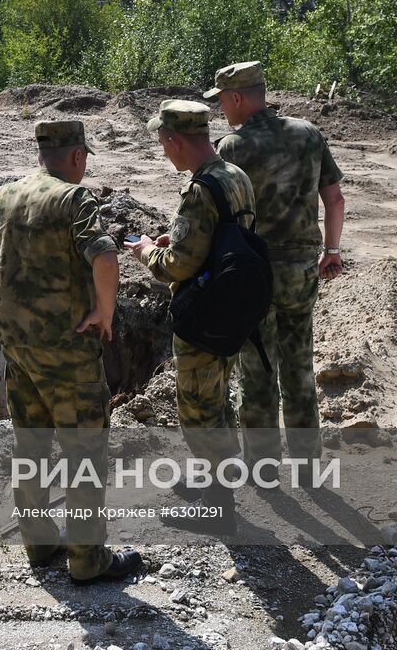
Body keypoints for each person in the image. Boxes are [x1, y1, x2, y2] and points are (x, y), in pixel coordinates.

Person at [0, 120, 143, 585]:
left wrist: (1, 288)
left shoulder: (5, 195)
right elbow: (104, 255)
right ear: (78, 157)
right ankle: (87, 559)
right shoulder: (74, 199)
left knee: (31, 442)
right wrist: (104, 311)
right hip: (67, 351)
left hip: (19, 345)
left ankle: (40, 543)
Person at [207, 61, 344, 466]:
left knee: (258, 370)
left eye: (222, 103)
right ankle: (307, 464)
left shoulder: (233, 147)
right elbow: (334, 199)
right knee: (300, 366)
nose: (221, 112)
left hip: (255, 275)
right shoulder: (309, 134)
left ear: (236, 98)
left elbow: (218, 214)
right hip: (302, 270)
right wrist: (331, 251)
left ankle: (263, 465)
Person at [126, 100, 254, 530]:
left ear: (174, 140)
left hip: (205, 315)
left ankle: (218, 510)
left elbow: (177, 267)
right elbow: (224, 240)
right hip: (232, 309)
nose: (163, 151)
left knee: (198, 407)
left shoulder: (200, 190)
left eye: (163, 142)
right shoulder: (234, 175)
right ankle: (217, 483)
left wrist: (149, 252)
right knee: (217, 398)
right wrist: (177, 243)